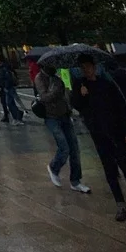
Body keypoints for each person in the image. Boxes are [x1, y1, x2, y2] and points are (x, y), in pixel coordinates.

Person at [71, 53, 126, 221]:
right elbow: (77, 106)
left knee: (125, 166)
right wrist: (80, 94)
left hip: (116, 132)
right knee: (110, 170)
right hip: (98, 135)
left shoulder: (106, 84)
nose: (85, 70)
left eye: (87, 67)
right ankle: (121, 205)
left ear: (94, 67)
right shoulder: (80, 87)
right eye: (82, 68)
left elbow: (121, 108)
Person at [36, 63, 90, 194]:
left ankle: (76, 181)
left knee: (74, 148)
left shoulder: (57, 77)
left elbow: (64, 93)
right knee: (64, 147)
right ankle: (54, 167)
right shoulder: (40, 78)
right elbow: (44, 97)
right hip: (51, 117)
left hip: (64, 114)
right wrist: (56, 88)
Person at [0, 58, 24, 125]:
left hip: (8, 88)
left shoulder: (3, 69)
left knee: (10, 103)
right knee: (11, 103)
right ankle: (18, 116)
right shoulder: (3, 68)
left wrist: (5, 87)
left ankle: (17, 118)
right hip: (8, 88)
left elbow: (6, 79)